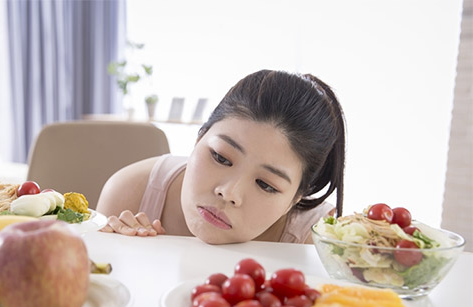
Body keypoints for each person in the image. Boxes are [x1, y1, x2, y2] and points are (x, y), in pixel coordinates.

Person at [96, 69, 346, 244]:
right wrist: (122, 256)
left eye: (266, 185)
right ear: (198, 139)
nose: (229, 193)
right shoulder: (130, 191)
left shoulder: (317, 240)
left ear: (294, 200)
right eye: (221, 158)